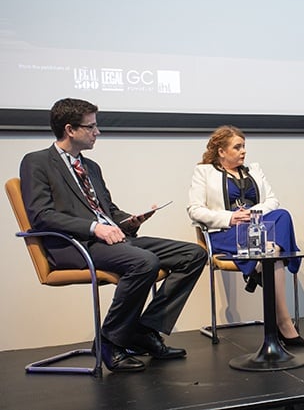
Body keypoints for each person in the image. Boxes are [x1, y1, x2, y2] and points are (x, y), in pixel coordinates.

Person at [19, 98, 207, 372]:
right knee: (144, 262)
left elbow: (108, 210)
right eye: (91, 127)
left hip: (114, 239)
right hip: (76, 244)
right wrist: (95, 228)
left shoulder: (91, 167)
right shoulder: (36, 162)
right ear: (70, 129)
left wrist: (130, 221)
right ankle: (109, 341)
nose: (97, 132)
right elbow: (41, 215)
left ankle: (144, 330)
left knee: (194, 254)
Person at [187, 125, 304, 346]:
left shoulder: (254, 170)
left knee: (283, 215)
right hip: (225, 232)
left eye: (244, 146)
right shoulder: (204, 172)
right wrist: (230, 218)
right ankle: (283, 321)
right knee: (273, 255)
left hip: (256, 229)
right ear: (221, 151)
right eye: (237, 147)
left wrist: (252, 213)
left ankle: (263, 260)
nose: (243, 151)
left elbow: (272, 200)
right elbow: (195, 210)